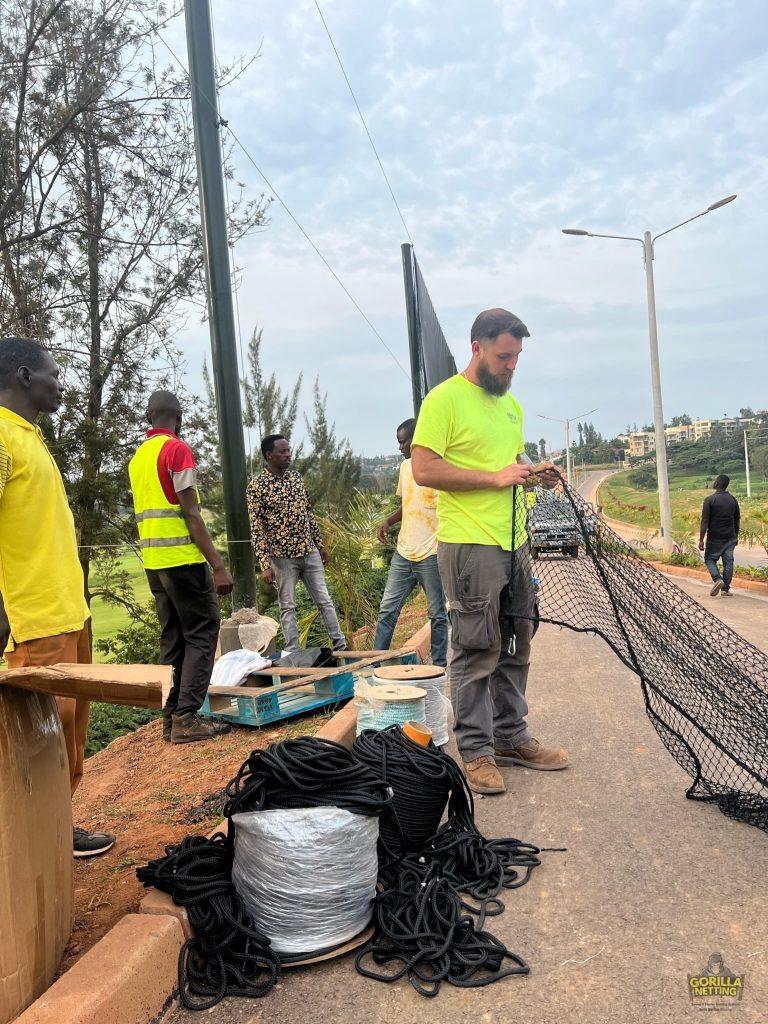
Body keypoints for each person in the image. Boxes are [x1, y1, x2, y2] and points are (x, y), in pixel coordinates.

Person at [411, 308, 568, 795]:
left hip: (514, 541)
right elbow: (424, 470)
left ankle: (511, 737)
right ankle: (476, 751)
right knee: (477, 648)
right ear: (477, 347)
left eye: (517, 357)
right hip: (469, 545)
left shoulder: (510, 405)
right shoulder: (444, 400)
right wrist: (494, 478)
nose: (511, 366)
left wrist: (531, 472)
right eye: (504, 356)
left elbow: (509, 463)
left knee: (518, 640)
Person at [0, 337, 115, 857]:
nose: (59, 381)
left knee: (65, 739)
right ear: (24, 375)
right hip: (30, 623)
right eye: (52, 372)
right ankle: (27, 845)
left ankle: (55, 830)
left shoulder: (29, 436)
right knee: (34, 746)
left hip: (67, 614)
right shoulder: (1, 436)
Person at [129, 391, 233, 744]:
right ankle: (187, 717)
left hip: (154, 564)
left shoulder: (139, 456)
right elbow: (191, 514)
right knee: (203, 632)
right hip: (183, 561)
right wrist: (217, 565)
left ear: (149, 417)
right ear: (178, 416)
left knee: (172, 638)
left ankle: (171, 718)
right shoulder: (176, 450)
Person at [247, 434, 346, 652]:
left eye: (288, 450)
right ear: (268, 455)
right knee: (288, 607)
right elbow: (256, 528)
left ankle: (340, 645)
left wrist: (319, 545)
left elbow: (308, 514)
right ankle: (293, 651)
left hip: (308, 551)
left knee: (325, 601)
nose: (288, 455)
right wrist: (265, 564)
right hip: (282, 559)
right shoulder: (257, 486)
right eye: (282, 451)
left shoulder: (296, 479)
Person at [374, 418, 447, 666]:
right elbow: (407, 505)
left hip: (432, 553)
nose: (400, 447)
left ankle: (438, 665)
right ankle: (376, 663)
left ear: (417, 439)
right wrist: (388, 521)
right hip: (404, 553)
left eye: (403, 441)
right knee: (387, 611)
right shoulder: (406, 468)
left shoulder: (440, 468)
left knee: (437, 613)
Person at [699, 474, 740, 597]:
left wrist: (701, 539)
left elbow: (705, 521)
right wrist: (736, 536)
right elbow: (737, 519)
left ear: (717, 483)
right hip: (730, 537)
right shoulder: (733, 499)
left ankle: (717, 579)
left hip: (714, 538)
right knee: (728, 562)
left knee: (709, 559)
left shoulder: (709, 500)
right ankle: (725, 589)